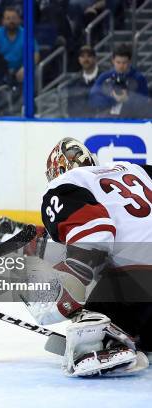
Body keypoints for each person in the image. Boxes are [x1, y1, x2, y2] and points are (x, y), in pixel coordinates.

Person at [32, 137, 152, 377]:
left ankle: (107, 341)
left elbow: (95, 232)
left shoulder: (64, 184)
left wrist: (64, 289)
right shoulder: (137, 170)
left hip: (140, 280)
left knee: (92, 323)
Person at [89, 44, 149, 119]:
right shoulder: (105, 77)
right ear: (113, 61)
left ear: (129, 61)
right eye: (118, 62)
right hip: (107, 119)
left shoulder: (138, 78)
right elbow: (93, 98)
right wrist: (112, 98)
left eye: (124, 63)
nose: (121, 66)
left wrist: (128, 99)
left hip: (131, 121)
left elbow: (144, 102)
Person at [0, 6, 39, 83]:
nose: (11, 21)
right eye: (8, 18)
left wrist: (26, 68)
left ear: (19, 20)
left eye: (14, 18)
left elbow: (35, 54)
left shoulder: (27, 34)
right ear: (3, 21)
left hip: (21, 69)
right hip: (0, 70)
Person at [67, 45, 99, 118]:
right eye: (82, 56)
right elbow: (70, 108)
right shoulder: (73, 82)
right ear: (79, 59)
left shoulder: (105, 79)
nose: (85, 59)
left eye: (89, 56)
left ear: (95, 58)